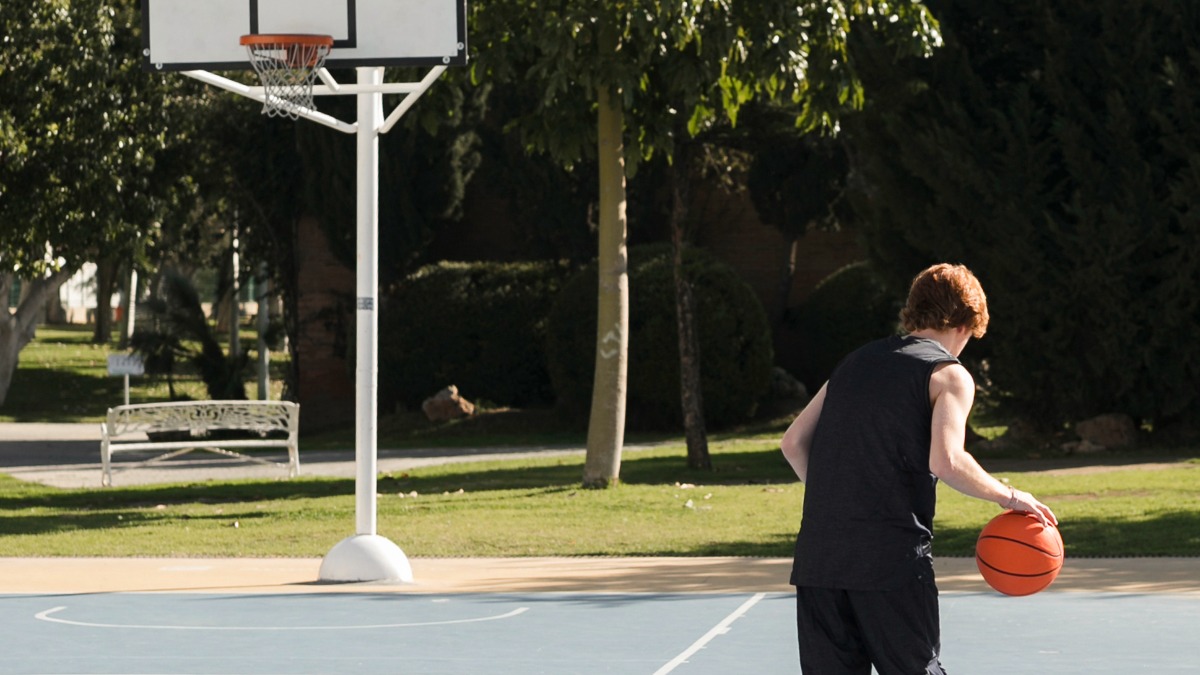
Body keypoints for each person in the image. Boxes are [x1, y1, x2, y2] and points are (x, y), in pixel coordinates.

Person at [779, 263, 1057, 675]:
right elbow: (946, 461)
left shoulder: (854, 362)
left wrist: (840, 499)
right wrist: (1011, 496)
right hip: (889, 561)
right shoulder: (948, 375)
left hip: (820, 559)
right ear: (966, 322)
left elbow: (792, 443)